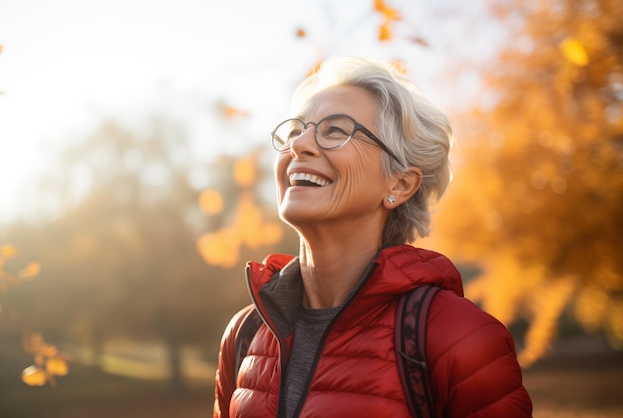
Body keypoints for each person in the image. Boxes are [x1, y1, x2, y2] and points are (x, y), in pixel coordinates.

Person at [213, 56, 532, 418]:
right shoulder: (244, 333)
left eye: (335, 130)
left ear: (400, 183)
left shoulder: (458, 336)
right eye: (294, 131)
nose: (299, 145)